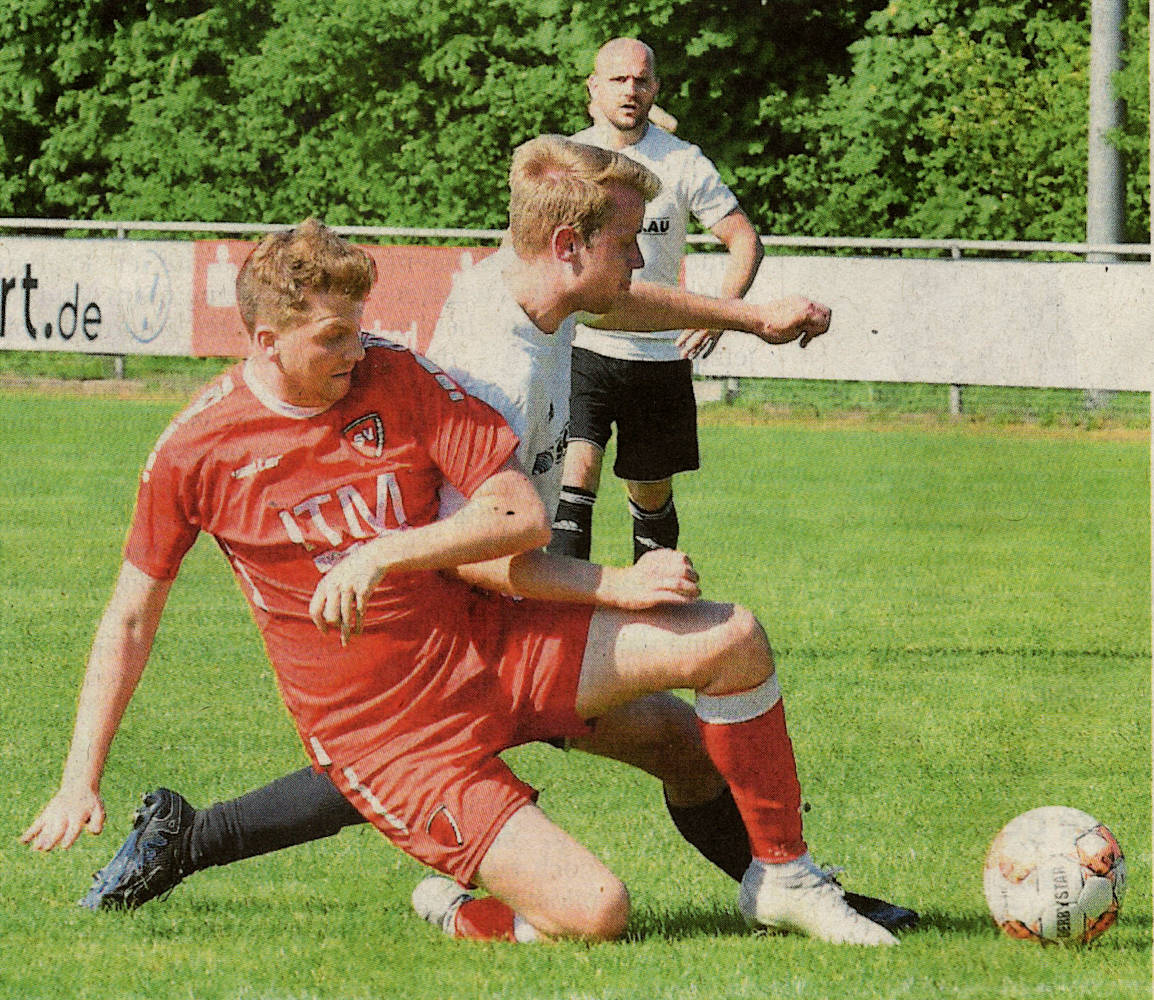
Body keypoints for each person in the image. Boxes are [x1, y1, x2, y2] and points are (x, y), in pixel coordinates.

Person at [24, 138, 914, 935]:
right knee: (595, 910)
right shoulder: (211, 446)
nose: (357, 350)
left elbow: (602, 305)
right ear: (263, 341)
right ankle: (461, 902)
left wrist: (748, 317)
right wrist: (77, 777)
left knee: (706, 681)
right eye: (334, 337)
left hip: (487, 639)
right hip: (401, 707)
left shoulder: (451, 336)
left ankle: (787, 883)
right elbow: (135, 619)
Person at [550, 37, 765, 565]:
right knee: (573, 480)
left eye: (641, 80)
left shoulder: (683, 162)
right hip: (581, 347)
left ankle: (659, 623)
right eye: (618, 80)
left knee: (649, 496)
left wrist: (719, 315)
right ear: (593, 88)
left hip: (659, 355)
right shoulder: (566, 159)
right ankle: (568, 625)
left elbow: (745, 240)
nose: (630, 90)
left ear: (655, 89)